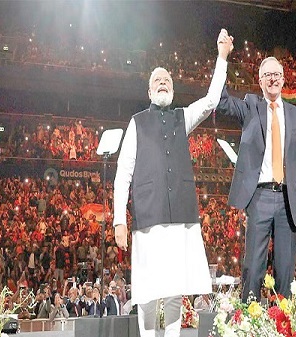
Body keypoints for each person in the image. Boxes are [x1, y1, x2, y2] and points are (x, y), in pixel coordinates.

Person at [113, 29, 232, 337]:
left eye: (167, 79)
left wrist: (221, 59)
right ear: (149, 92)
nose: (163, 82)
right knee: (149, 291)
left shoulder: (183, 116)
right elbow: (123, 171)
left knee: (175, 290)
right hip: (148, 218)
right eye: (157, 81)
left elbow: (210, 102)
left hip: (181, 216)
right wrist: (118, 221)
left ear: (173, 89)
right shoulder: (137, 122)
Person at [216, 54, 296, 302]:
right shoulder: (251, 106)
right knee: (253, 266)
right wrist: (222, 58)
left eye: (276, 75)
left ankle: (283, 324)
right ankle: (249, 323)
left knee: (285, 271)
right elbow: (220, 102)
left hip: (288, 202)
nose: (272, 79)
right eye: (267, 75)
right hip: (259, 197)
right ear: (260, 81)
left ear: (283, 80)